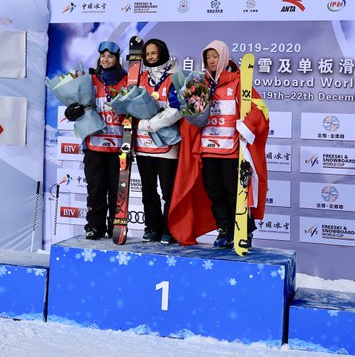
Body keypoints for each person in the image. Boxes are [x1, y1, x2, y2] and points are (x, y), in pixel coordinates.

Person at [168, 40, 269, 248]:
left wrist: (246, 127)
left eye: (215, 56)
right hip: (207, 150)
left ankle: (244, 229)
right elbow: (192, 115)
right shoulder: (199, 84)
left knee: (237, 193)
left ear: (223, 57)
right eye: (208, 57)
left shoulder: (239, 82)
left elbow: (260, 111)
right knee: (215, 193)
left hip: (232, 151)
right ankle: (224, 230)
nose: (212, 61)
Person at [134, 38, 182, 244]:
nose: (150, 57)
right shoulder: (139, 77)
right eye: (147, 54)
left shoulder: (174, 77)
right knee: (148, 190)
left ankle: (168, 229)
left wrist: (153, 123)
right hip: (143, 145)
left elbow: (178, 108)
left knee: (168, 191)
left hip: (166, 145)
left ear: (162, 53)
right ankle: (151, 227)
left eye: (154, 53)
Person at [80, 41, 128, 240]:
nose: (106, 60)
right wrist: (73, 110)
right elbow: (79, 105)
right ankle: (94, 225)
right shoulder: (90, 80)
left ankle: (114, 227)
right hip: (95, 145)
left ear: (117, 59)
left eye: (110, 56)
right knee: (96, 189)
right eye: (103, 56)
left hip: (118, 146)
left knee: (116, 191)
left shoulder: (127, 80)